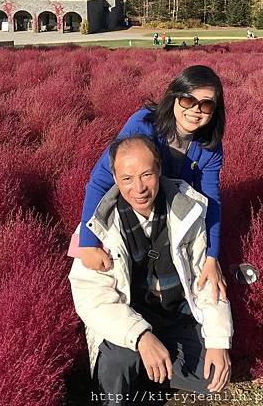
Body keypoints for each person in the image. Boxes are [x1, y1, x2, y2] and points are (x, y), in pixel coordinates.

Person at [69, 135, 233, 406]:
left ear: (159, 170)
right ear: (114, 178)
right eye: (127, 178)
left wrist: (218, 340)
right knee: (118, 366)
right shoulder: (96, 227)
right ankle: (137, 369)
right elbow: (92, 299)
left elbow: (205, 282)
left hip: (174, 318)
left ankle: (149, 373)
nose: (139, 188)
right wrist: (141, 337)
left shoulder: (187, 212)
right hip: (129, 321)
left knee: (213, 375)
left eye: (146, 174)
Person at [76, 65, 227, 302]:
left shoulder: (209, 146)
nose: (195, 111)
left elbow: (211, 201)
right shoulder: (143, 124)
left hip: (171, 217)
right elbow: (100, 179)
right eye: (188, 100)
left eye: (205, 104)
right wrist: (86, 242)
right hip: (128, 210)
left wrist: (212, 258)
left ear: (214, 111)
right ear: (174, 97)